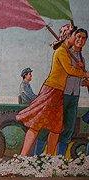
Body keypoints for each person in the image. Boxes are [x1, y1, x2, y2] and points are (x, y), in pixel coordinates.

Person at [16, 25, 89, 156]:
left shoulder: (73, 55)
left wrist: (83, 76)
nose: (79, 39)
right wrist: (84, 73)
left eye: (83, 38)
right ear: (70, 36)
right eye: (76, 36)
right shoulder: (62, 51)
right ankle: (27, 156)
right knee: (39, 124)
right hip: (53, 90)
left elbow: (73, 75)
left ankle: (51, 158)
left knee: (56, 127)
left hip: (63, 92)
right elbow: (69, 70)